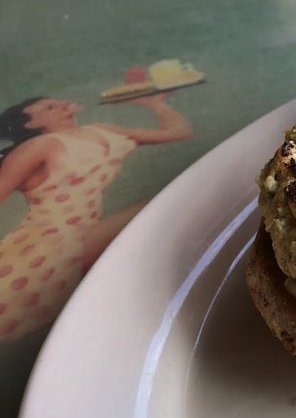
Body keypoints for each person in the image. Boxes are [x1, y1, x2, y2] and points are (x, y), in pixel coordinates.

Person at [0, 93, 192, 341]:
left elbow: (178, 132)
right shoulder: (38, 147)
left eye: (56, 100)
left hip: (88, 229)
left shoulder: (101, 130)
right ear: (31, 125)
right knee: (161, 205)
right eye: (50, 106)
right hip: (51, 242)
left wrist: (155, 104)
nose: (61, 102)